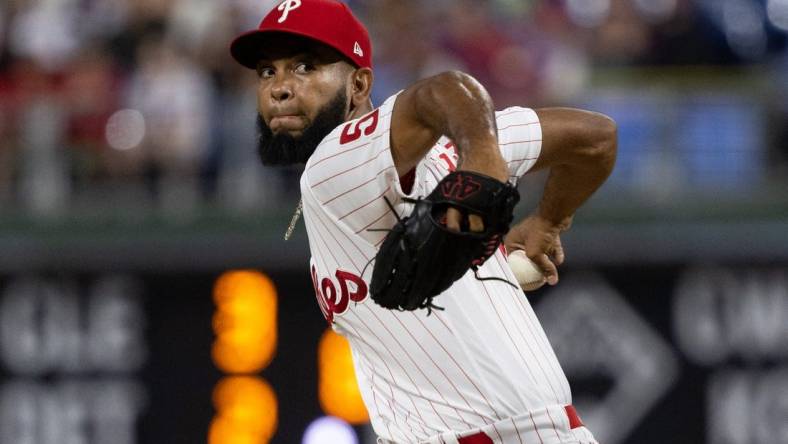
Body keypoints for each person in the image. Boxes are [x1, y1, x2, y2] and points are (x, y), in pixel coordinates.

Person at [230, 1, 617, 443]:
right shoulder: (454, 147)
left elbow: (445, 88)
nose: (280, 87)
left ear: (359, 84)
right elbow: (595, 139)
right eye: (267, 72)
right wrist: (547, 219)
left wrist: (485, 162)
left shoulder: (329, 167)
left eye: (304, 67)